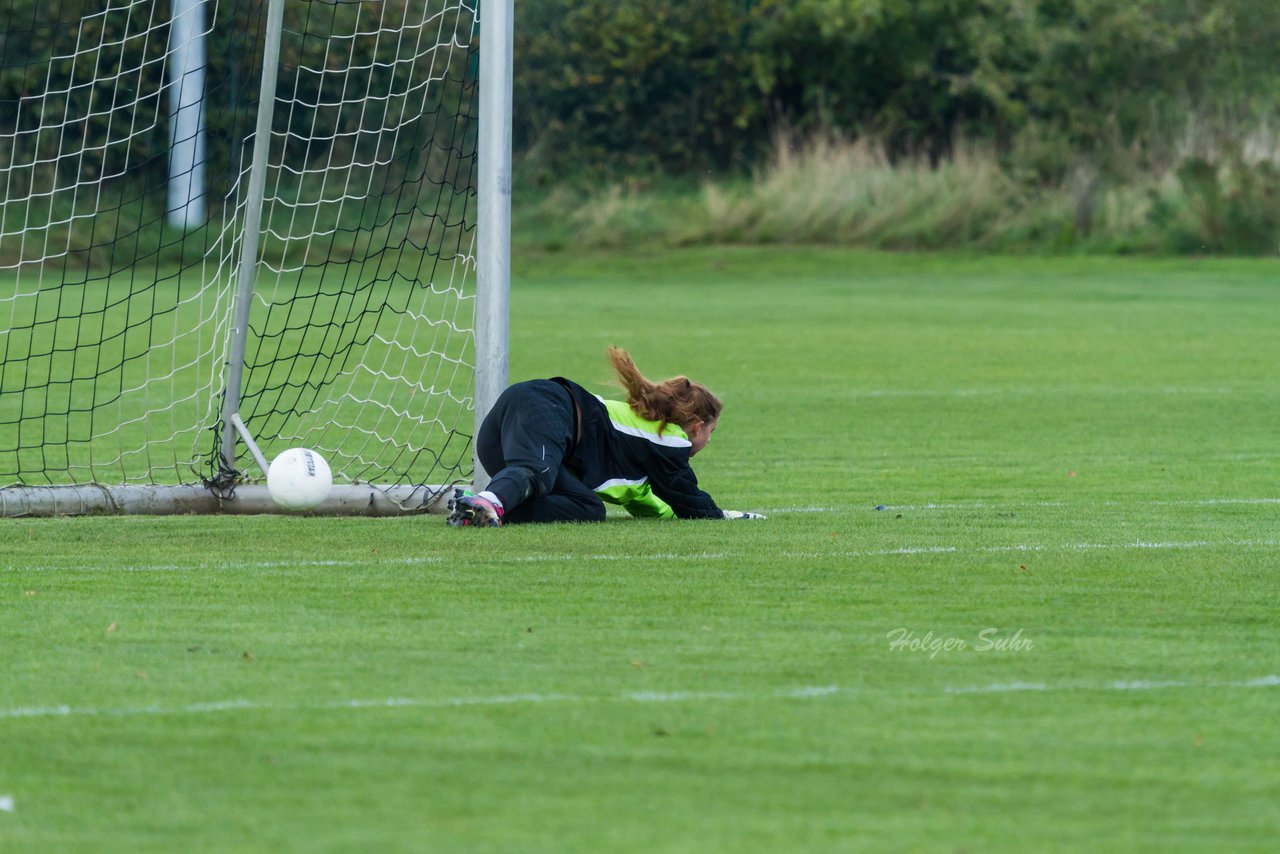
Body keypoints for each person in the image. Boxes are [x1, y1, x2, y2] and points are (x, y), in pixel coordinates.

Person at [448, 346, 765, 526]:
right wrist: (726, 516)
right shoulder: (669, 440)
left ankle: (477, 512)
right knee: (535, 472)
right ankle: (487, 501)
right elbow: (687, 500)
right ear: (696, 426)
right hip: (548, 406)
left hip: (507, 436)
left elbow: (657, 505)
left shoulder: (646, 451)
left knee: (587, 508)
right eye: (712, 432)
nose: (709, 440)